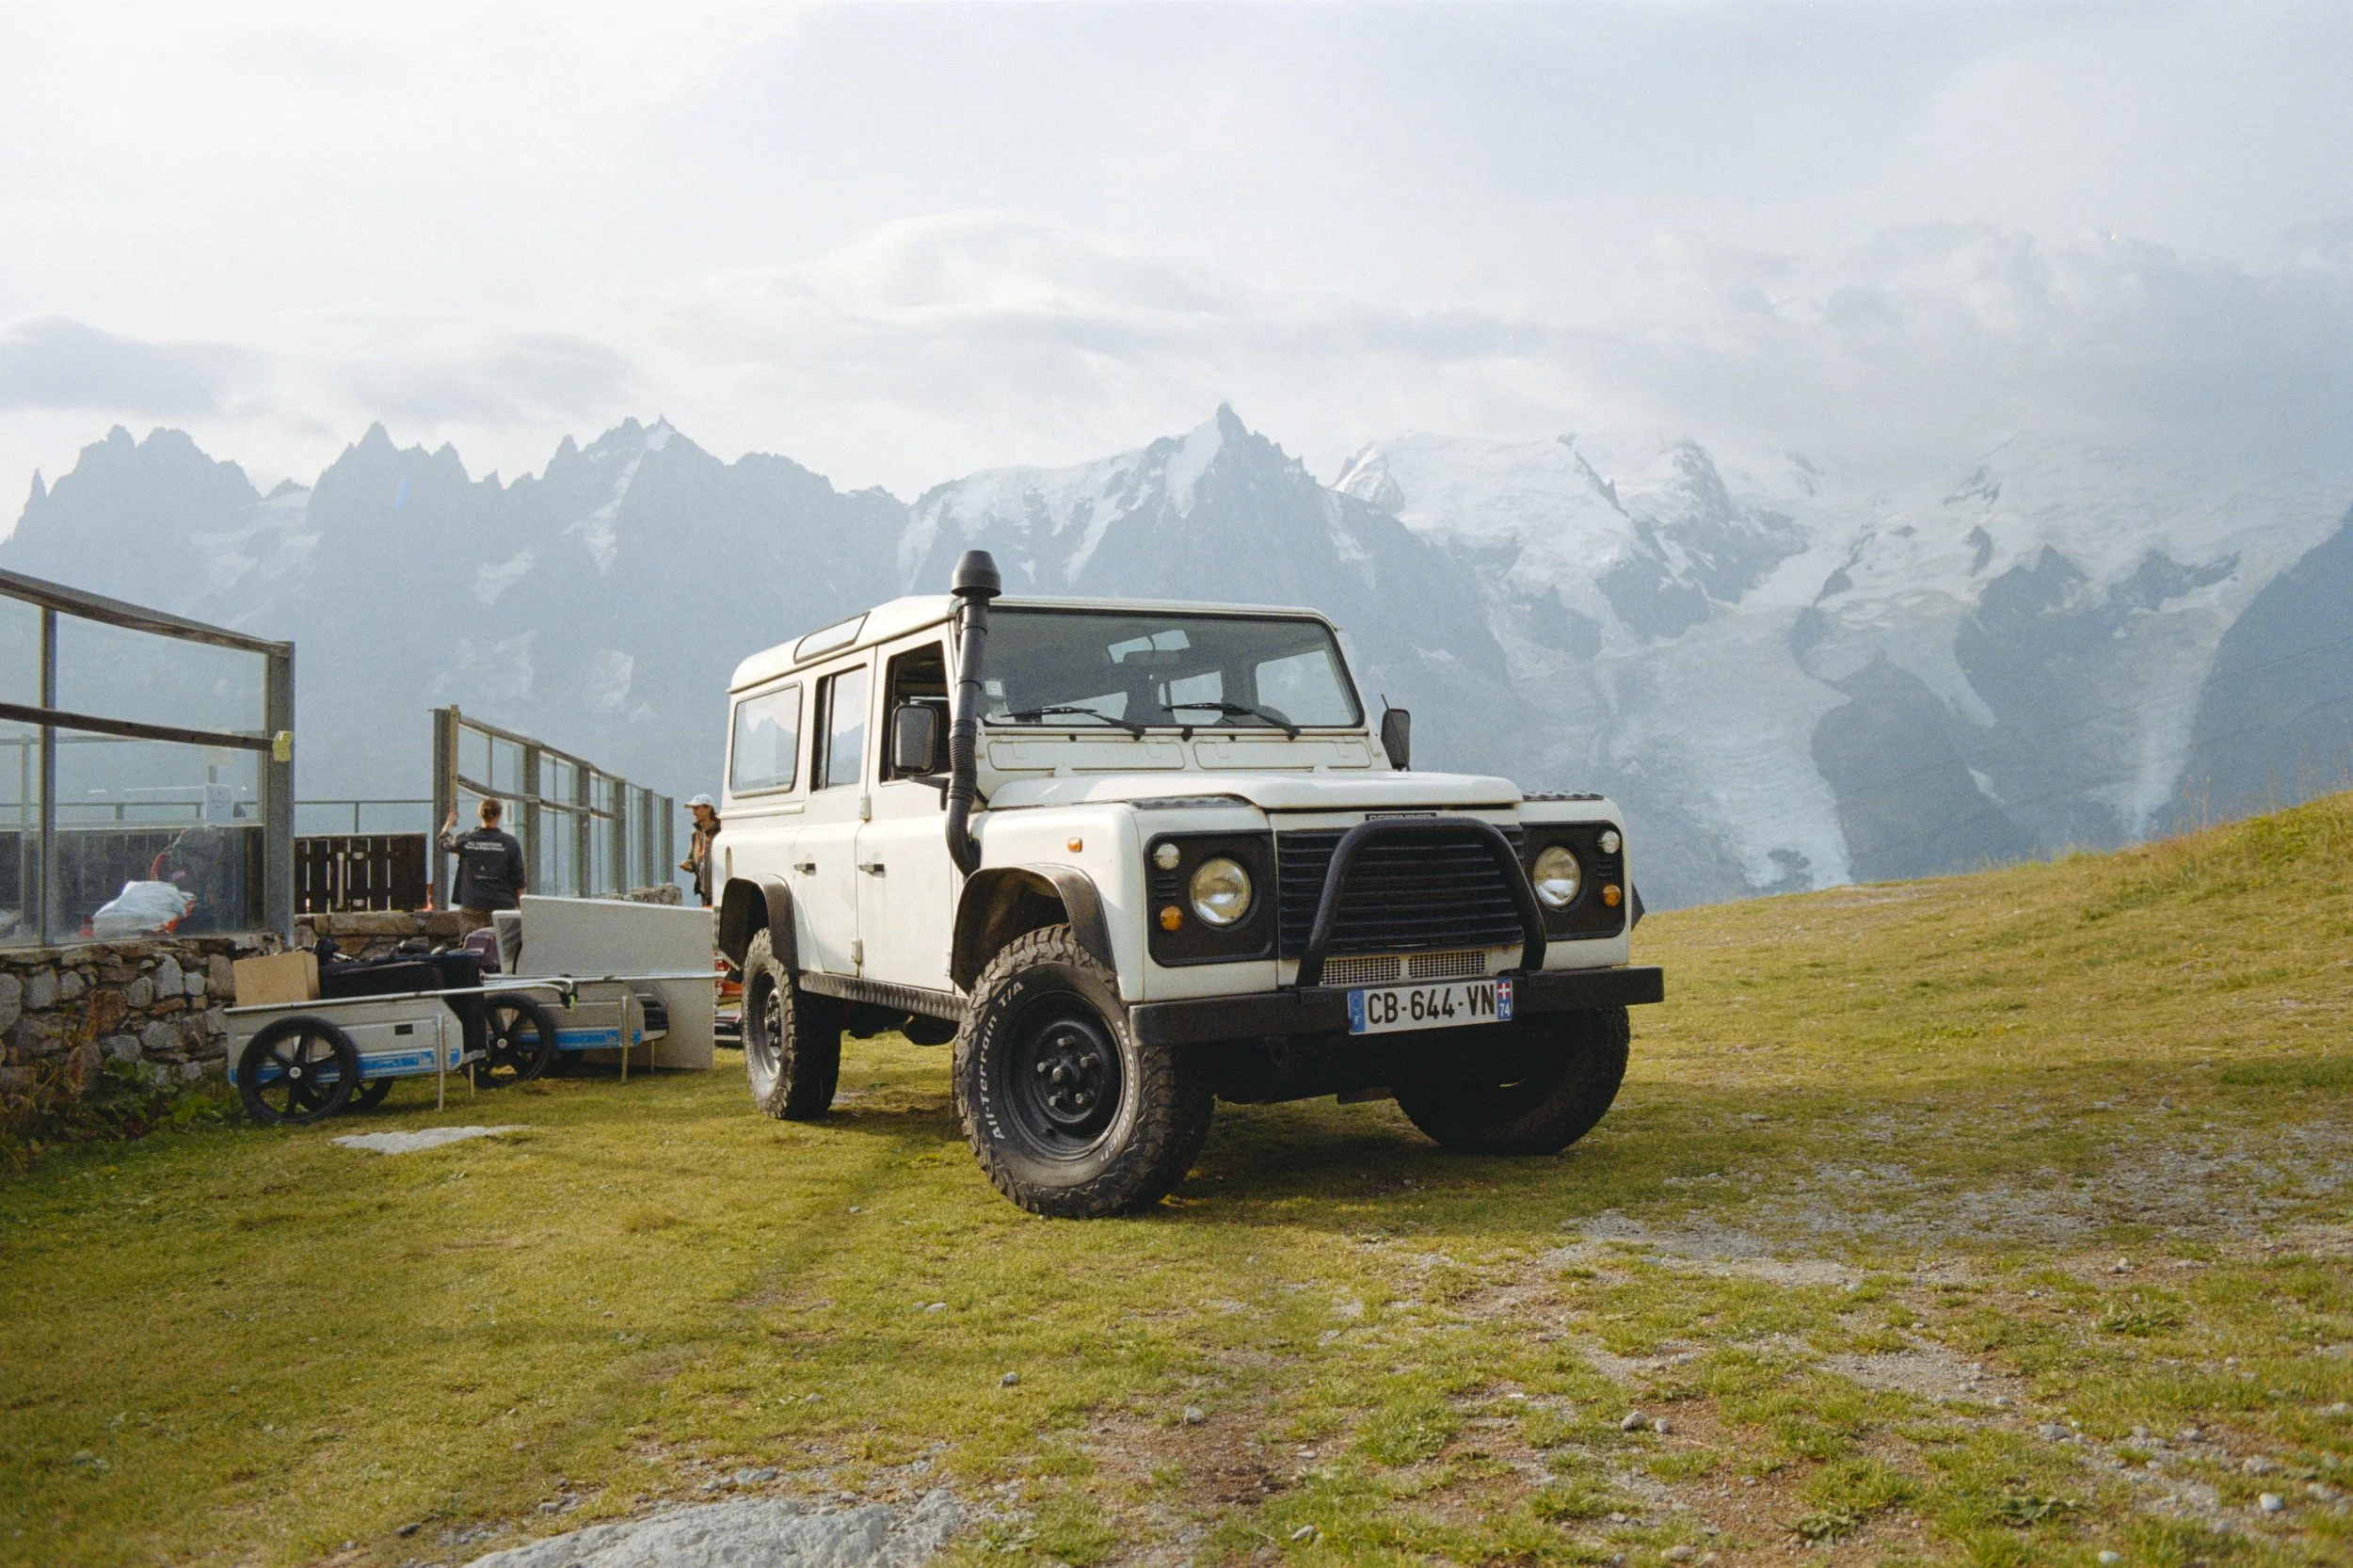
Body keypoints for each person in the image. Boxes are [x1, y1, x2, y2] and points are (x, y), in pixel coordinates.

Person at [440, 798, 526, 934]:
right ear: (499, 815)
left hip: (473, 906)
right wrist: (522, 912)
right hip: (503, 906)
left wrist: (449, 822)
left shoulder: (466, 840)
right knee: (503, 944)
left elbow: (443, 841)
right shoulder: (510, 843)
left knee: (472, 943)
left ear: (480, 814)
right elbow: (518, 882)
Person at [680, 793, 722, 907]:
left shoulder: (722, 831)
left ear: (708, 808)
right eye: (692, 809)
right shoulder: (696, 834)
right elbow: (692, 859)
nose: (693, 813)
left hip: (721, 890)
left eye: (696, 808)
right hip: (704, 891)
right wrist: (689, 865)